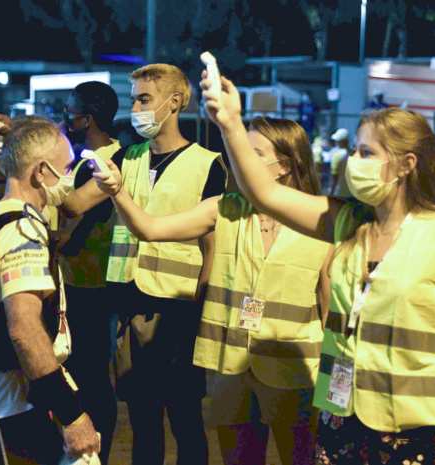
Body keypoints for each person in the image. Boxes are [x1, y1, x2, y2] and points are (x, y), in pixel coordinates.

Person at [202, 75, 435, 465]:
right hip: (341, 415)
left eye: (366, 153)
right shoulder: (347, 222)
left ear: (405, 165)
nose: (353, 162)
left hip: (420, 426)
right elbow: (265, 192)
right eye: (354, 151)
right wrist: (229, 125)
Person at [93, 116, 332, 465]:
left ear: (284, 165)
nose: (238, 160)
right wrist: (118, 192)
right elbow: (150, 228)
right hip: (231, 368)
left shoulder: (321, 222)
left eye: (252, 153)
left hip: (294, 373)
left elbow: (329, 309)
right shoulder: (224, 210)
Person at [62, 63, 227, 465]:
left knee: (185, 417)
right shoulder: (127, 157)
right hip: (129, 310)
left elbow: (213, 251)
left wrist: (202, 315)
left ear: (174, 103)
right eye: (134, 97)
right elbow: (75, 202)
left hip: (179, 311)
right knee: (141, 418)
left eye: (143, 99)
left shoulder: (208, 164)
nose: (133, 107)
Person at [0, 116, 100, 464]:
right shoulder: (22, 232)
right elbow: (24, 329)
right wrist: (71, 414)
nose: (69, 177)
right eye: (66, 167)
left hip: (11, 393)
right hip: (10, 400)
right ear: (41, 172)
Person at [59, 81, 121, 465]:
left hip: (89, 288)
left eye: (71, 111)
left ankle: (97, 453)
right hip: (83, 285)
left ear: (88, 117)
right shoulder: (89, 159)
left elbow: (69, 221)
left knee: (91, 381)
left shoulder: (106, 161)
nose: (67, 117)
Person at [328, 128, 351, 198]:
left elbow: (334, 176)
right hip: (352, 192)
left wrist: (331, 194)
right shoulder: (353, 153)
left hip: (339, 192)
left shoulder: (337, 155)